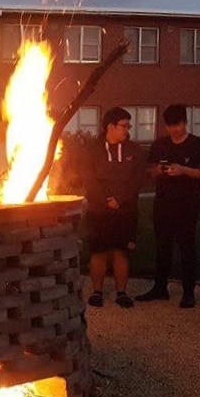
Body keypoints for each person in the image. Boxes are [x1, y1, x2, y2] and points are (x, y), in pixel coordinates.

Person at [135, 104, 200, 308]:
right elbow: (150, 171)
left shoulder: (198, 144)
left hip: (187, 204)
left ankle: (188, 291)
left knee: (187, 247)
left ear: (185, 122)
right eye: (170, 126)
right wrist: (159, 170)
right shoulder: (160, 144)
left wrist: (183, 170)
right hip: (163, 203)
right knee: (162, 247)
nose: (174, 130)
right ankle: (160, 287)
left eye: (177, 125)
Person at [79, 107, 146, 308]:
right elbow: (88, 179)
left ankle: (121, 292)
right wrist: (105, 199)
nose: (128, 130)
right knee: (98, 252)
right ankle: (97, 292)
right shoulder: (92, 149)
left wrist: (121, 199)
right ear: (110, 126)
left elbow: (137, 179)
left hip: (126, 211)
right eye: (124, 126)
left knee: (121, 252)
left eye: (128, 125)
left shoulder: (134, 150)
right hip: (99, 211)